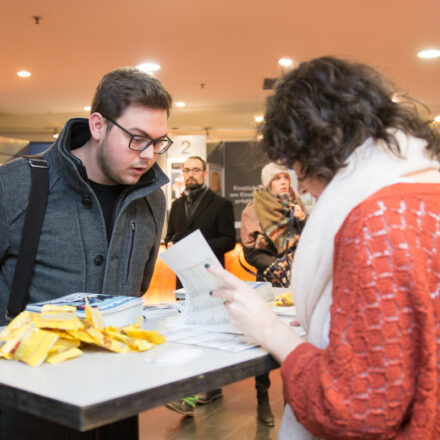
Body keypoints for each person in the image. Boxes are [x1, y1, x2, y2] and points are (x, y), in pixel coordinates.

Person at [207, 56, 440, 439]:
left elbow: (352, 407)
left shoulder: (374, 221)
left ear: (318, 152)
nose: (302, 189)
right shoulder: (421, 194)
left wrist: (269, 330)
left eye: (298, 172)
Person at [0, 67, 172, 439]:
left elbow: (137, 288)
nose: (148, 155)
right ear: (98, 126)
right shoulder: (17, 184)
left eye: (159, 142)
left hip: (116, 398)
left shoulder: (153, 200)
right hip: (28, 402)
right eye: (137, 139)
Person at [164, 155, 236, 416]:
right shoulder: (176, 205)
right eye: (186, 170)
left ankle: (206, 390)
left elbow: (228, 241)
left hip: (211, 278)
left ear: (205, 174)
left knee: (211, 336)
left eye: (196, 170)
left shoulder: (221, 204)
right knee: (186, 335)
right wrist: (172, 242)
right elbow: (171, 236)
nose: (191, 174)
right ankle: (193, 391)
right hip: (182, 280)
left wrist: (199, 247)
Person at [240, 161, 307, 426]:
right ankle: (263, 399)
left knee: (297, 339)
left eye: (285, 177)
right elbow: (249, 251)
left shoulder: (298, 207)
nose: (283, 181)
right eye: (277, 178)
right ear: (267, 182)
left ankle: (295, 399)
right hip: (268, 282)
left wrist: (304, 221)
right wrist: (277, 266)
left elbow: (309, 240)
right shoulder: (253, 210)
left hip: (296, 284)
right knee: (264, 342)